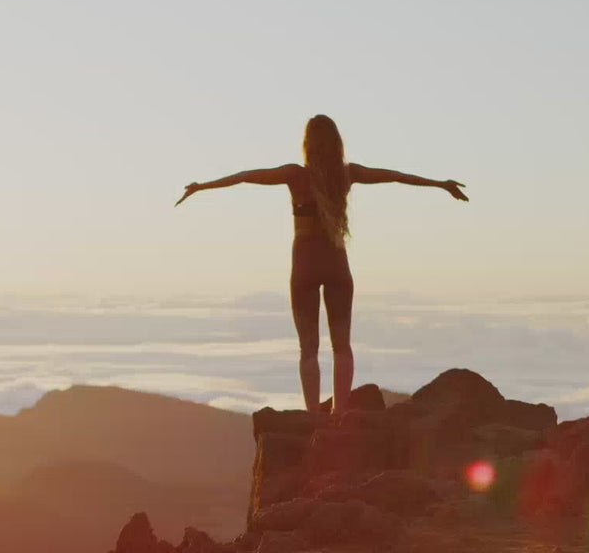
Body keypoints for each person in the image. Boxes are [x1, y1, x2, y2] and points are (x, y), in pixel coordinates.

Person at [175, 114, 468, 413]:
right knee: (342, 346)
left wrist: (201, 186)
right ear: (337, 144)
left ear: (307, 145)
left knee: (308, 350)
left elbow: (246, 176)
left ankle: (313, 416)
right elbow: (395, 175)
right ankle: (339, 414)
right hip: (337, 264)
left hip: (304, 265)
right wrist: (440, 184)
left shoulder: (294, 175)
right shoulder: (347, 174)